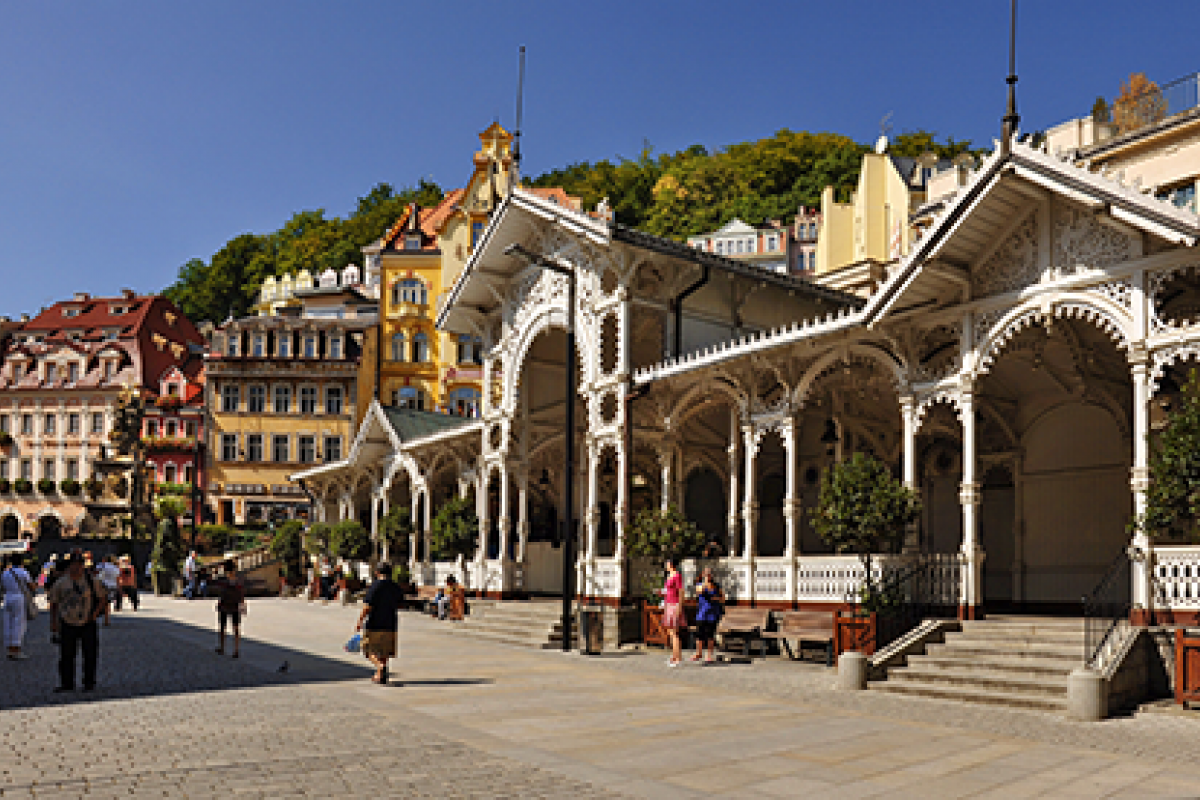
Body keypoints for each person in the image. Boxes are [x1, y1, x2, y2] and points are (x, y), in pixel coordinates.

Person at [47, 552, 108, 692]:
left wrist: (95, 614)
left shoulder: (92, 581)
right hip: (67, 621)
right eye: (74, 564)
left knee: (90, 654)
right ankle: (67, 683)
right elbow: (54, 603)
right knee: (66, 655)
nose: (76, 567)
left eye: (79, 565)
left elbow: (103, 598)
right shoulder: (61, 583)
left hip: (87, 621)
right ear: (69, 566)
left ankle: (89, 682)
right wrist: (54, 623)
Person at [355, 562, 403, 685]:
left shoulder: (375, 586)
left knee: (367, 649)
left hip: (374, 623)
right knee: (384, 651)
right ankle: (380, 675)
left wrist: (360, 621)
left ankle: (379, 666)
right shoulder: (395, 587)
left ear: (377, 572)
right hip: (391, 623)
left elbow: (367, 606)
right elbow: (400, 603)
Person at [2, 554, 34, 660]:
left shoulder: (5, 573)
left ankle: (9, 648)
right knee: (18, 623)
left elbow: (2, 586)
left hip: (7, 597)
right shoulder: (23, 572)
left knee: (8, 623)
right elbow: (31, 586)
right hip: (19, 597)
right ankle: (16, 649)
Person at [691, 567, 724, 664]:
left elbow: (722, 598)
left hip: (713, 613)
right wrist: (705, 582)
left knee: (710, 634)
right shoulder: (699, 584)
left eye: (709, 574)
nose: (708, 575)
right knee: (699, 634)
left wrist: (716, 598)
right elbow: (699, 592)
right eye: (706, 573)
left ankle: (709, 655)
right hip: (702, 613)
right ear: (703, 574)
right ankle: (699, 653)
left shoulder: (716, 586)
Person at [214, 560, 245, 658]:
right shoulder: (238, 580)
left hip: (225, 605)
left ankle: (222, 647)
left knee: (222, 627)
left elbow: (221, 592)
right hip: (235, 605)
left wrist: (219, 603)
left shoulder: (224, 580)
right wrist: (242, 604)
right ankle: (236, 650)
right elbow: (241, 593)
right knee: (236, 627)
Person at [659, 557, 685, 667]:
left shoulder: (677, 575)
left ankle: (678, 658)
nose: (666, 566)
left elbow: (681, 591)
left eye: (668, 564)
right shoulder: (668, 576)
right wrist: (662, 593)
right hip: (668, 604)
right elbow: (668, 590)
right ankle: (674, 656)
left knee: (674, 632)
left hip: (674, 604)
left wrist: (680, 605)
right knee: (670, 632)